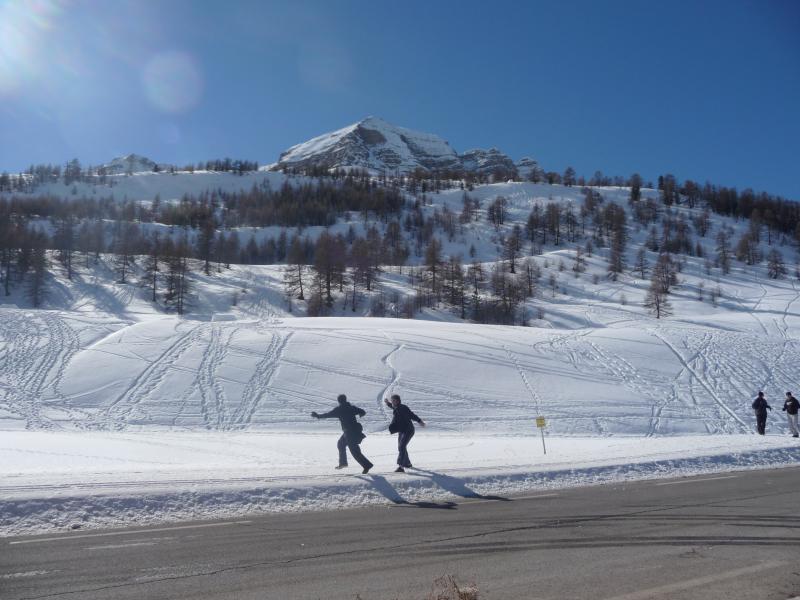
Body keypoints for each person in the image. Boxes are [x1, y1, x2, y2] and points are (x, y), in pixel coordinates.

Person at [312, 394, 373, 474]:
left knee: (354, 451)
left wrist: (318, 416)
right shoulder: (351, 407)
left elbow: (328, 415)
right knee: (341, 444)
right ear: (345, 399)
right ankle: (343, 463)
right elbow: (363, 412)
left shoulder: (339, 409)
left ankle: (367, 465)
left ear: (339, 401)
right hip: (351, 432)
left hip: (349, 433)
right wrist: (359, 415)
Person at [384, 393, 425, 473]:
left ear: (398, 401)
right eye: (392, 401)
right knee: (401, 447)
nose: (393, 402)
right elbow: (392, 406)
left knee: (402, 446)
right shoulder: (395, 407)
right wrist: (387, 403)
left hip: (408, 430)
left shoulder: (403, 408)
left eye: (394, 400)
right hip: (402, 430)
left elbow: (412, 415)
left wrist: (420, 421)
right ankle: (407, 463)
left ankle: (401, 466)